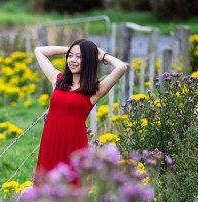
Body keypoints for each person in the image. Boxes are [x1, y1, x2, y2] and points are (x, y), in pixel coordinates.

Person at [32, 39, 127, 188]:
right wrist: (70, 49)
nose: (73, 60)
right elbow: (39, 51)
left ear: (88, 59)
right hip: (50, 141)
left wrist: (102, 56)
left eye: (79, 57)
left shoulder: (94, 90)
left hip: (73, 145)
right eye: (71, 56)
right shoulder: (57, 80)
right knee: (46, 184)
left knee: (71, 186)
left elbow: (121, 67)